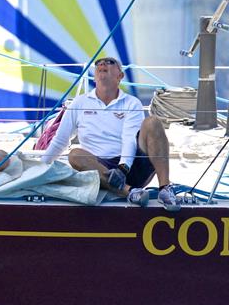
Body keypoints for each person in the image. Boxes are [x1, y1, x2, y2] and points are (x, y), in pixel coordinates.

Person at [40, 57, 180, 211]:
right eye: (98, 63)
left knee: (153, 122)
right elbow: (60, 141)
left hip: (131, 166)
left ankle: (165, 189)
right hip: (99, 169)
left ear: (120, 76)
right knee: (75, 155)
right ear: (94, 76)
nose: (102, 64)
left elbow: (129, 139)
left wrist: (122, 169)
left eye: (109, 62)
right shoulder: (79, 103)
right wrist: (39, 168)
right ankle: (129, 192)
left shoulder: (132, 103)